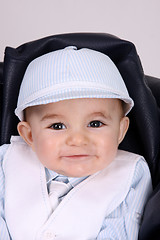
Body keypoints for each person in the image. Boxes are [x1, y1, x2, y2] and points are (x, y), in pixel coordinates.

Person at [0, 46, 152, 240]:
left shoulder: (131, 173)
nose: (78, 140)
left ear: (121, 130)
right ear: (29, 135)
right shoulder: (6, 161)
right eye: (57, 126)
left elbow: (120, 230)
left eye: (95, 123)